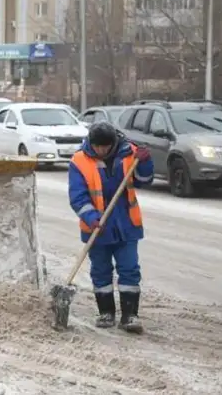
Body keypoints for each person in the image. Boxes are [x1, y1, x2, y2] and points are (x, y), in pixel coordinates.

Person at [68, 121, 153, 333]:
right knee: (101, 271)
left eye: (106, 147)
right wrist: (90, 216)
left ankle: (130, 315)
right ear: (91, 143)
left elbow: (145, 180)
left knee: (129, 268)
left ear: (113, 143)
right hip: (97, 226)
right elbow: (77, 196)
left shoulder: (129, 153)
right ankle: (106, 312)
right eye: (98, 147)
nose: (102, 151)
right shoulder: (79, 160)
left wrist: (145, 162)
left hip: (126, 223)